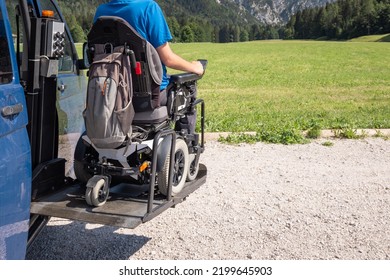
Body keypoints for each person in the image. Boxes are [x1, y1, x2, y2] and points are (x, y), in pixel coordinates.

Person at [93, 0, 204, 95]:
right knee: (190, 91)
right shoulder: (149, 8)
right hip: (149, 96)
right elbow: (168, 59)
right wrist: (195, 68)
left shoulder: (101, 12)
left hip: (112, 93)